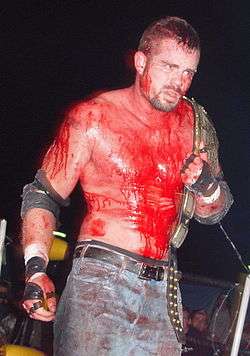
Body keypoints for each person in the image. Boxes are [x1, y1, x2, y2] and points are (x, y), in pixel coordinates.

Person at [20, 16, 233, 355]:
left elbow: (215, 210)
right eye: (169, 67)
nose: (179, 82)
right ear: (140, 61)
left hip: (164, 288)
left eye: (188, 72)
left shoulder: (195, 125)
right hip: (100, 282)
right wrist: (36, 271)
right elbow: (43, 194)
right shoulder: (91, 118)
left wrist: (207, 187)